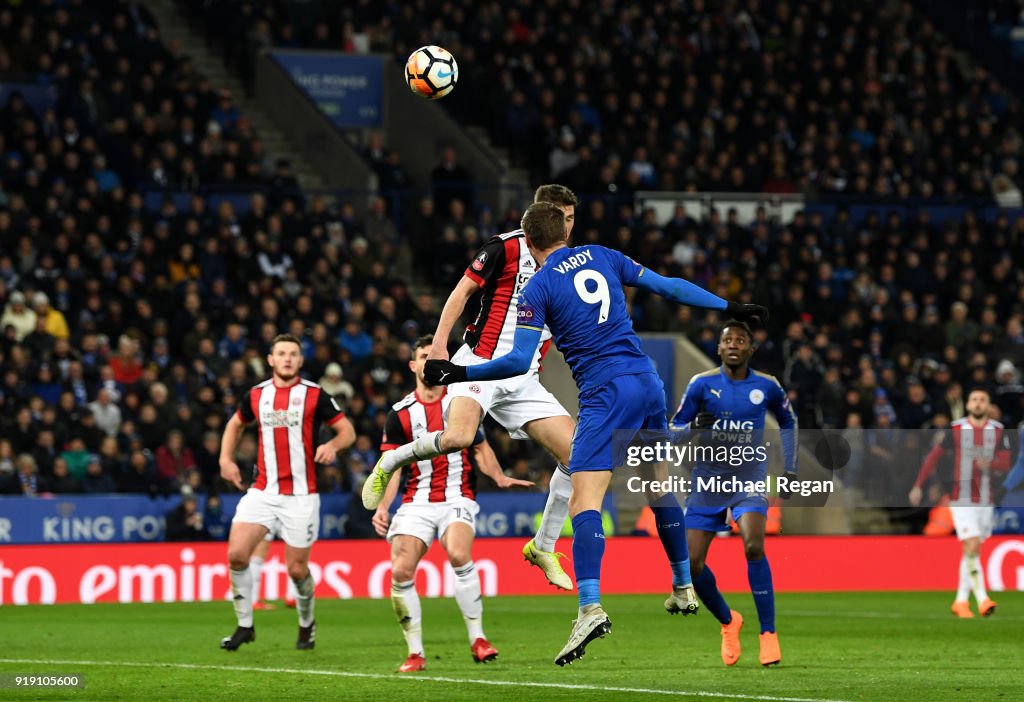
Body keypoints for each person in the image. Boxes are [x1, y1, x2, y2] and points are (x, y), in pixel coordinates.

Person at [422, 202, 767, 665]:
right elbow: (668, 287)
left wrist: (456, 371)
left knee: (585, 500)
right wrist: (730, 306)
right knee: (657, 482)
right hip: (647, 381)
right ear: (565, 231)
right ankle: (683, 585)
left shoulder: (537, 287)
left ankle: (588, 608)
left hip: (605, 392)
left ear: (528, 241)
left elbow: (515, 363)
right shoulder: (603, 255)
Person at [363, 185, 585, 593]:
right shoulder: (503, 248)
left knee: (579, 453)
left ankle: (544, 545)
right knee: (459, 437)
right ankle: (394, 458)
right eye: (556, 216)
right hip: (478, 365)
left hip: (523, 379)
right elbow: (461, 292)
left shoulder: (572, 264)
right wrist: (441, 345)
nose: (563, 226)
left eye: (569, 218)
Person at [371, 335, 534, 672]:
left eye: (435, 356)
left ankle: (478, 638)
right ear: (413, 365)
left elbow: (480, 446)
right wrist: (383, 507)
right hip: (416, 501)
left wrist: (499, 477)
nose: (429, 361)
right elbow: (392, 467)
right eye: (423, 356)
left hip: (457, 496)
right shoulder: (400, 414)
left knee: (459, 554)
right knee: (401, 570)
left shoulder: (459, 401)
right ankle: (415, 652)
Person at [670, 320, 798, 667]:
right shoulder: (702, 385)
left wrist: (791, 469)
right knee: (692, 566)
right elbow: (674, 430)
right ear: (719, 347)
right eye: (728, 340)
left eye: (740, 340)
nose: (733, 345)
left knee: (754, 544)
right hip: (707, 482)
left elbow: (789, 422)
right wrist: (695, 427)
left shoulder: (766, 386)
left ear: (750, 349)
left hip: (749, 478)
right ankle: (729, 621)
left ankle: (768, 634)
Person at [219, 333, 356, 651]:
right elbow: (235, 424)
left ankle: (307, 623)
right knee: (237, 555)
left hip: (301, 495)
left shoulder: (314, 394)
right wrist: (225, 459)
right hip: (263, 491)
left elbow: (347, 430)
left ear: (300, 360)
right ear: (270, 359)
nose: (287, 358)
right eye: (281, 353)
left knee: (296, 570)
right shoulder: (256, 395)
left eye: (293, 353)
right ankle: (244, 625)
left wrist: (333, 445)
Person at [909, 388, 1011, 618]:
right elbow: (933, 458)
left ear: (988, 405)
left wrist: (991, 466)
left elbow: (1005, 464)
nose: (977, 404)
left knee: (971, 551)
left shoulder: (998, 431)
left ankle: (961, 602)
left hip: (986, 499)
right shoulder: (955, 429)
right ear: (967, 405)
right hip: (962, 496)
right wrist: (918, 485)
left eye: (982, 400)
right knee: (972, 544)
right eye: (974, 400)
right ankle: (983, 599)